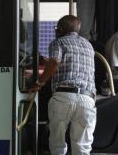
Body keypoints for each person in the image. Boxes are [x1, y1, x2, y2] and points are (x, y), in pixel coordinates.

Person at [29, 15, 96, 155]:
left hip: (64, 97)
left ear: (60, 29)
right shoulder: (88, 45)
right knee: (82, 147)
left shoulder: (58, 42)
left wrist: (39, 83)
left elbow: (54, 62)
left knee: (57, 144)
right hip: (87, 99)